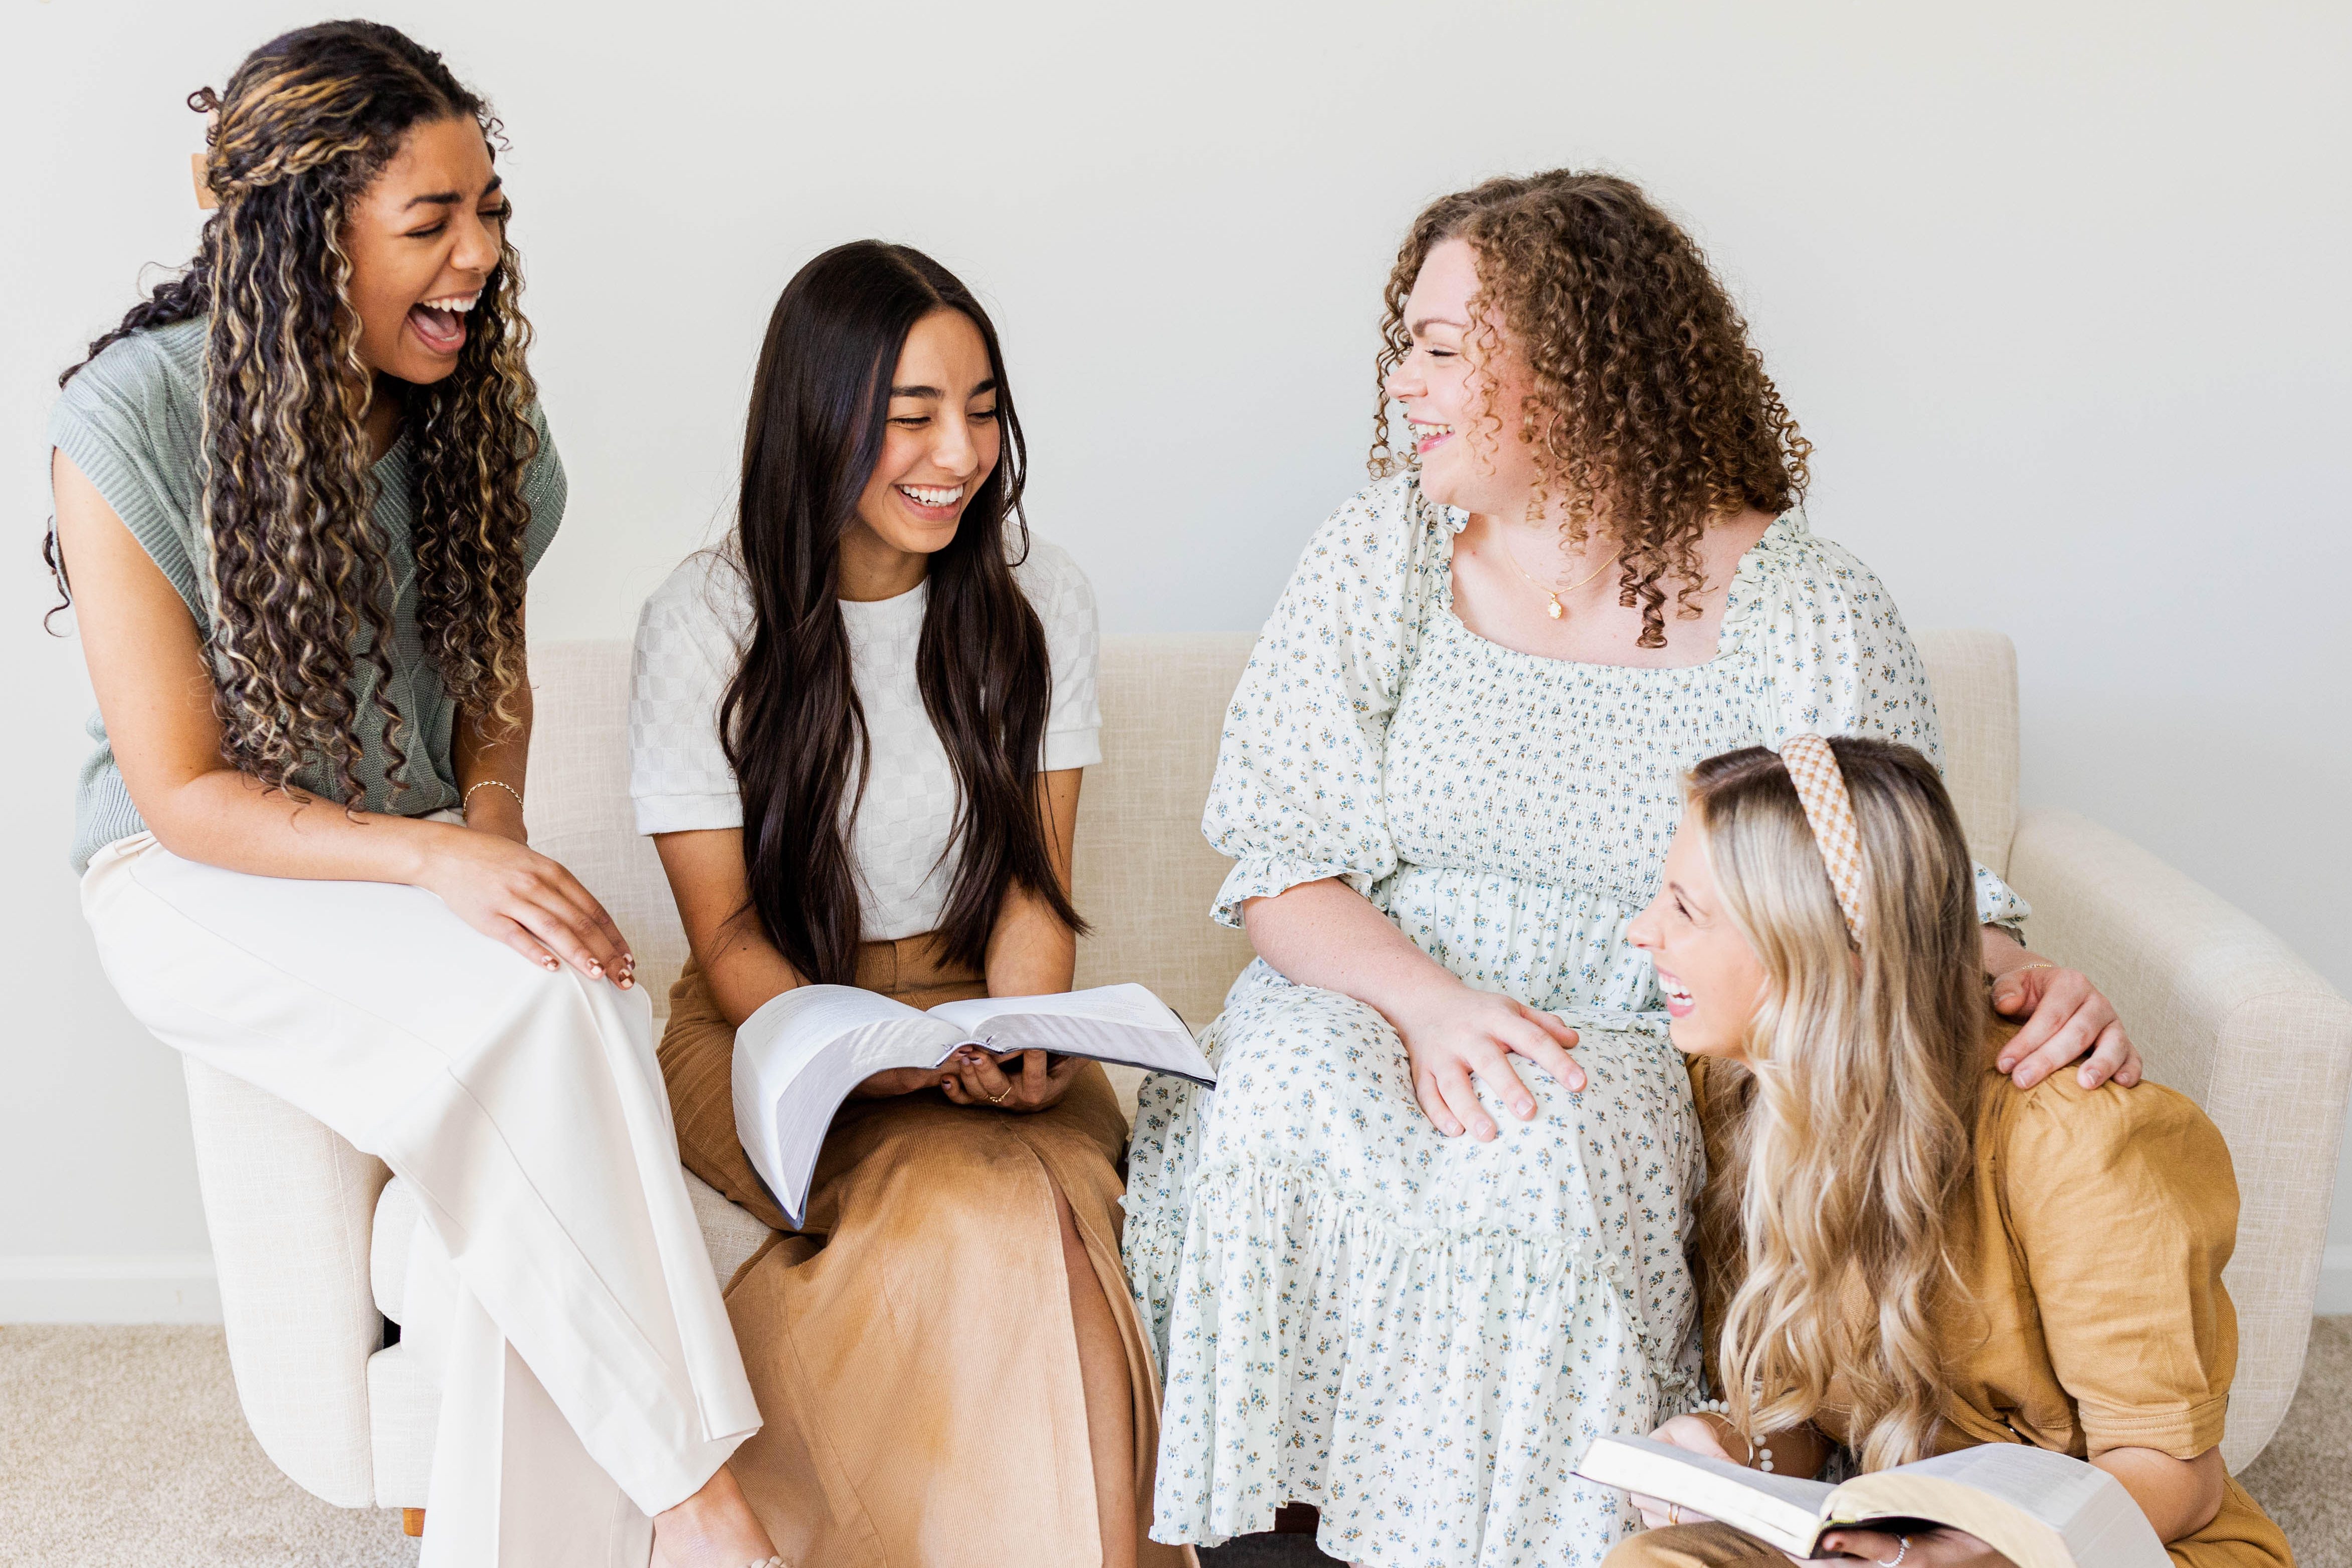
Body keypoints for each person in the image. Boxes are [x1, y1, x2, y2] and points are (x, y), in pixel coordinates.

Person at [1121, 170, 2141, 1568]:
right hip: (1375, 989)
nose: (1402, 384)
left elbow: (1886, 882)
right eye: (1406, 345)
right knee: (1287, 1089)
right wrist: (1429, 1006)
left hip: (1635, 1028)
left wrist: (2022, 979)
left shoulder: (1808, 610)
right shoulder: (1380, 558)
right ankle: (1264, 1543)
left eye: (1441, 349)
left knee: (1541, 1147)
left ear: (1573, 369)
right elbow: (1282, 863)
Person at [49, 23, 778, 1568]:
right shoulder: (134, 415)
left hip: (406, 858)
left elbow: (488, 674)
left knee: (574, 1005)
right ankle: (704, 1508)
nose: (478, 255)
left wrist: (489, 831)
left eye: (489, 210)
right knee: (536, 1013)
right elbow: (180, 791)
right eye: (431, 220)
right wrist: (440, 865)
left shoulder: (474, 412)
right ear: (302, 238)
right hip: (195, 880)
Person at [629, 240, 1181, 1568]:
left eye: (982, 411)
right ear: (817, 417)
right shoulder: (706, 619)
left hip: (976, 1000)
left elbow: (1034, 887)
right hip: (774, 1018)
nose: (959, 453)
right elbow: (728, 937)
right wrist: (861, 1060)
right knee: (953, 1211)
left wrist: (1027, 1032)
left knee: (1051, 1212)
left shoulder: (1039, 598)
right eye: (912, 414)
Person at [1608, 734, 2291, 1568]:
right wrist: (1732, 1449)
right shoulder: (1745, 1089)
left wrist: (1968, 1553)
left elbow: (2175, 1482)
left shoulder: (2080, 1140)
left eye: (1686, 910)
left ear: (1819, 948)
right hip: (1892, 1541)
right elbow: (1820, 1412)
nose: (1641, 932)